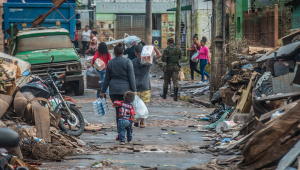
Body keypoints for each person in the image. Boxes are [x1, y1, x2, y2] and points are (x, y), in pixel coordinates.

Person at [100, 43, 137, 140]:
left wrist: (103, 91)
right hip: (126, 91)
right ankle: (126, 133)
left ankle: (120, 133)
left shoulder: (111, 63)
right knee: (127, 111)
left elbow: (106, 79)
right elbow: (131, 78)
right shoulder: (128, 62)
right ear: (123, 52)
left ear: (114, 52)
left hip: (114, 91)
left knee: (119, 112)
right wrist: (134, 91)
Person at [132, 45, 162, 128]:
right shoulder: (148, 60)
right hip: (145, 86)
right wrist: (154, 47)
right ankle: (142, 122)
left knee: (135, 105)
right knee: (143, 105)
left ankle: (135, 120)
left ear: (135, 52)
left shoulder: (133, 62)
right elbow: (160, 55)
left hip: (135, 86)